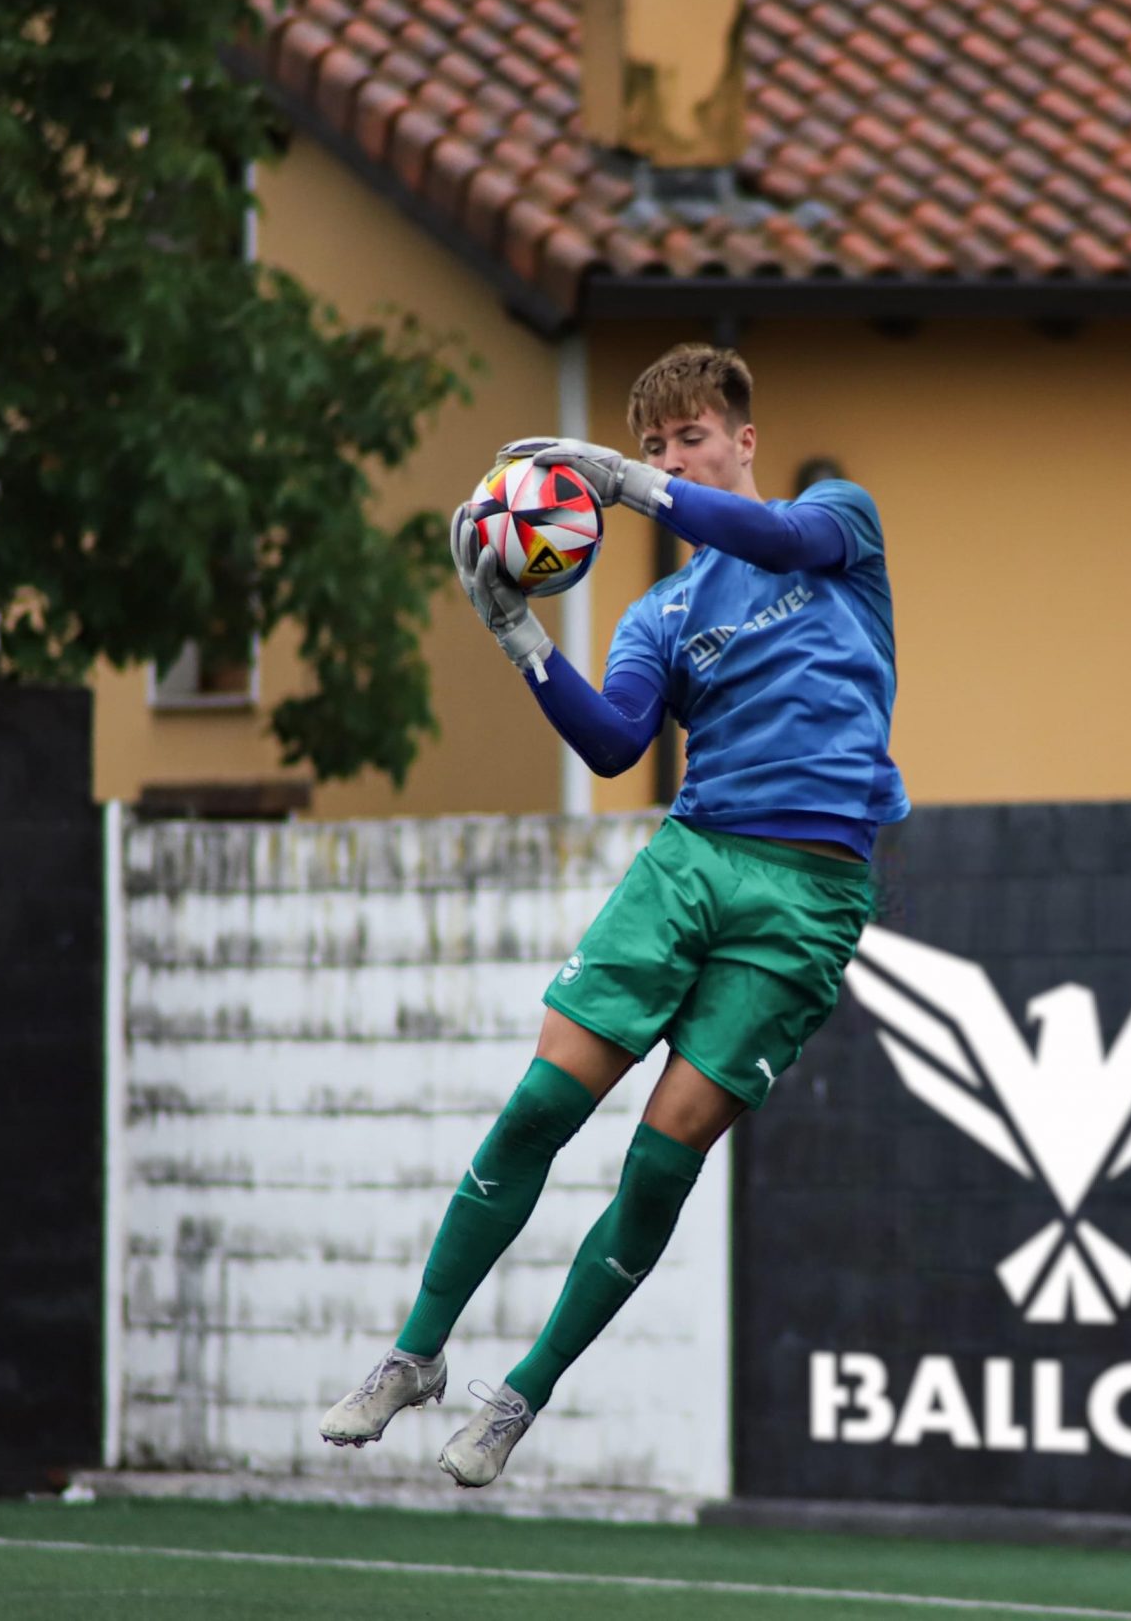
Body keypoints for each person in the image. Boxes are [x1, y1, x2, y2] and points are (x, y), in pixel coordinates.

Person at [316, 342, 907, 1485]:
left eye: (690, 437)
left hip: (812, 892)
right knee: (545, 1101)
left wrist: (623, 483)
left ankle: (518, 1395)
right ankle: (413, 1354)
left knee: (663, 1153)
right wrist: (515, 629)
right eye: (650, 446)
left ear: (744, 439)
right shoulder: (661, 610)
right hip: (691, 859)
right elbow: (612, 741)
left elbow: (774, 538)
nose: (669, 457)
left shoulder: (840, 523)